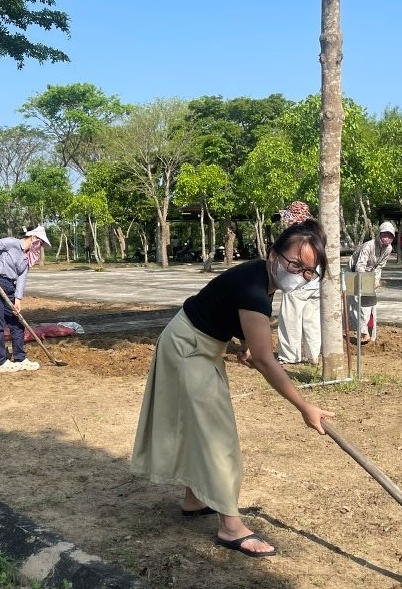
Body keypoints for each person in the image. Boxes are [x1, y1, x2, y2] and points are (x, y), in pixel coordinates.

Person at [131, 219, 334, 558]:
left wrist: (245, 344)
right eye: (295, 264)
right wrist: (304, 407)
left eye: (308, 271)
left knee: (200, 427)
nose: (300, 274)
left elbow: (235, 318)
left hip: (198, 345)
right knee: (217, 436)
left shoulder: (262, 278)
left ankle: (195, 499)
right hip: (188, 349)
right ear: (274, 254)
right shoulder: (254, 289)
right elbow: (267, 360)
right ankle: (230, 527)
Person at [0, 225, 51, 373]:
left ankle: (20, 358)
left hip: (10, 288)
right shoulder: (11, 243)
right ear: (34, 238)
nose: (40, 247)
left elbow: (21, 278)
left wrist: (18, 300)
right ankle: (1, 362)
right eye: (40, 243)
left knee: (17, 323)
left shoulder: (26, 258)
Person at [275, 202, 322, 365]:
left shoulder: (296, 235)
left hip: (297, 283)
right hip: (315, 284)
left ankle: (289, 356)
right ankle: (314, 355)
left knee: (290, 320)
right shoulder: (316, 233)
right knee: (312, 321)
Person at [347, 221, 395, 344]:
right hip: (354, 271)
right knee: (354, 302)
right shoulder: (369, 245)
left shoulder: (388, 249)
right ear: (379, 235)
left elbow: (380, 266)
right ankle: (361, 331)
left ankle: (367, 332)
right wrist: (365, 282)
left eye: (390, 236)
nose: (386, 238)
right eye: (384, 235)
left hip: (370, 272)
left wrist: (376, 280)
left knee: (368, 304)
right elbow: (360, 265)